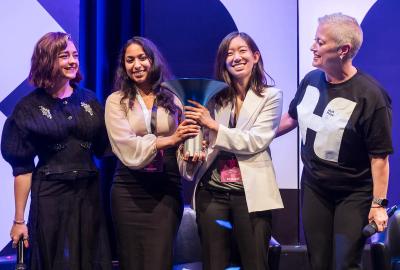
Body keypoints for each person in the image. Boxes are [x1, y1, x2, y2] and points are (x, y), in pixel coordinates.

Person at [277, 13, 393, 269]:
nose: (312, 47)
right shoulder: (311, 80)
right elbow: (292, 117)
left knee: (344, 263)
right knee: (318, 261)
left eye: (320, 42)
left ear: (343, 50)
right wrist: (254, 135)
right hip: (315, 187)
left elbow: (379, 158)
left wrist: (378, 205)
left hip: (353, 192)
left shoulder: (371, 97)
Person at [1, 32, 112, 270]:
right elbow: (22, 170)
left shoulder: (90, 100)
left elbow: (106, 147)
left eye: (75, 55)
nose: (73, 61)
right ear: (47, 60)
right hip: (51, 194)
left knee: (89, 259)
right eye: (64, 56)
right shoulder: (28, 108)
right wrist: (19, 221)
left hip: (88, 193)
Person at [179, 31, 284, 270]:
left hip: (251, 195)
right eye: (229, 53)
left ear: (255, 56)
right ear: (223, 62)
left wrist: (213, 125)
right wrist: (195, 150)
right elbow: (205, 138)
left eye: (242, 51)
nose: (236, 57)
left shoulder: (271, 96)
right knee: (213, 264)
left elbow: (256, 141)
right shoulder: (216, 98)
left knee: (255, 263)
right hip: (212, 193)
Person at [104, 36, 199, 270]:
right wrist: (168, 140)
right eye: (130, 60)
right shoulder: (116, 101)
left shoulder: (174, 97)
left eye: (142, 58)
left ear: (152, 60)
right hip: (128, 189)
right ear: (123, 66)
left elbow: (184, 140)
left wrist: (191, 152)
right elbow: (125, 145)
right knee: (131, 261)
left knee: (160, 261)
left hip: (166, 188)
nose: (136, 65)